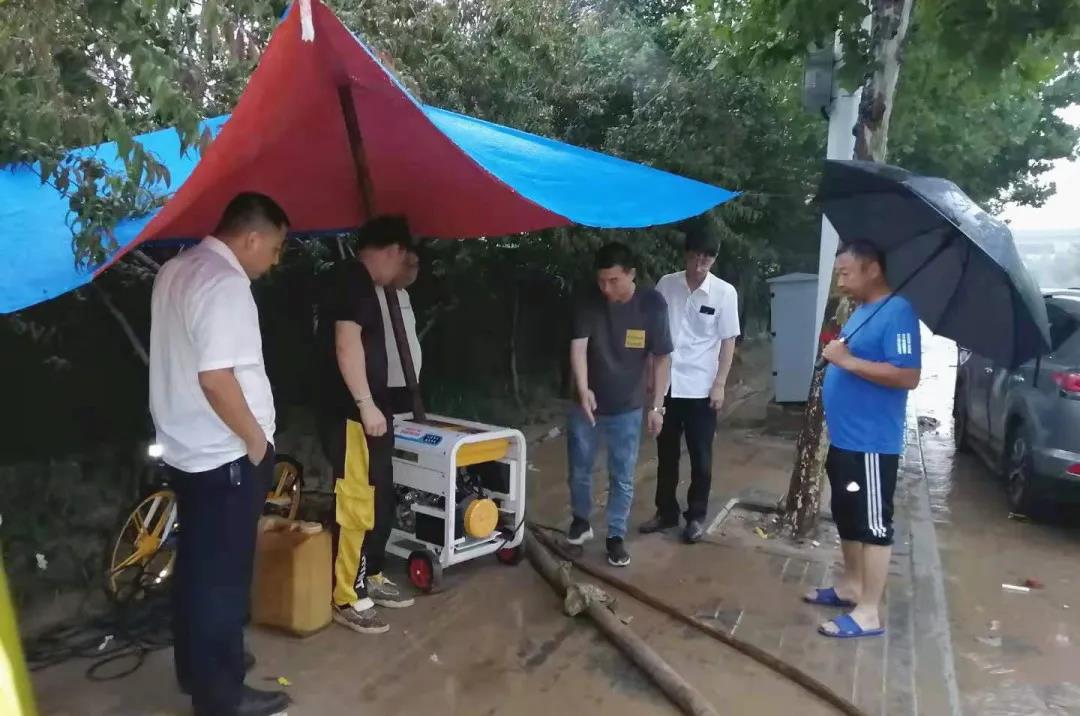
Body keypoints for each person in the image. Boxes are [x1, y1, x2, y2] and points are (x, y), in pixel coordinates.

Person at [149, 192, 290, 716]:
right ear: (251, 238)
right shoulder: (226, 284)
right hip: (225, 455)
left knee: (196, 567)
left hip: (187, 450)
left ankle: (198, 668)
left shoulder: (176, 269)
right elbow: (215, 378)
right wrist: (255, 441)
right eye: (274, 249)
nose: (273, 261)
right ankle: (221, 696)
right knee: (223, 581)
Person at [807, 240, 921, 639]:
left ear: (872, 269)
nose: (839, 281)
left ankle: (869, 612)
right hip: (845, 439)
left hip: (871, 444)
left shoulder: (898, 311)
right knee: (847, 514)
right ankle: (851, 586)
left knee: (873, 524)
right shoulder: (861, 310)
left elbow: (908, 375)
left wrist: (847, 361)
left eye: (845, 273)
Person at [318, 216, 413, 636]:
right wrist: (366, 404)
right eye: (403, 260)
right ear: (394, 251)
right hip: (352, 415)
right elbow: (346, 343)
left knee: (376, 496)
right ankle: (346, 596)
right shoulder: (352, 281)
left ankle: (369, 573)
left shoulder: (360, 283)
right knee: (356, 503)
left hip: (368, 416)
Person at [567, 242, 673, 567]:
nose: (606, 288)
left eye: (613, 281)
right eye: (601, 281)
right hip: (586, 403)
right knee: (579, 467)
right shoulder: (588, 298)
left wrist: (657, 407)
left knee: (622, 474)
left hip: (628, 404)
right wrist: (583, 388)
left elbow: (662, 358)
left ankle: (615, 535)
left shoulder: (652, 304)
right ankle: (581, 519)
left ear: (631, 274)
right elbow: (578, 347)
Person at [641, 231, 740, 543]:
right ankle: (665, 511)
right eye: (695, 256)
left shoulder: (724, 293)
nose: (700, 264)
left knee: (701, 456)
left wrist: (720, 384)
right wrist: (650, 376)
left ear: (714, 258)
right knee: (666, 454)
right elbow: (654, 334)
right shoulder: (667, 285)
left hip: (701, 388)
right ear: (686, 254)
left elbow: (728, 341)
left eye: (707, 258)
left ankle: (696, 516)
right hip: (667, 384)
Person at [376, 245, 421, 415]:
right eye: (408, 264)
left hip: (409, 380)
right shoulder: (374, 293)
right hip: (387, 382)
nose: (413, 270)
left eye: (416, 265)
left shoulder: (404, 295)